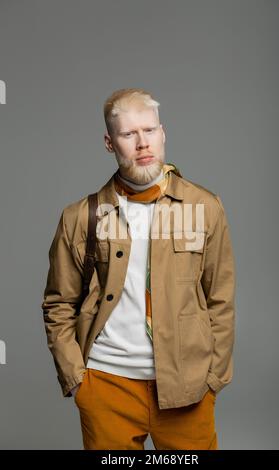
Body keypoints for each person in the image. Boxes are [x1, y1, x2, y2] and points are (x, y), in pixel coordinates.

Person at [41, 88, 236, 450]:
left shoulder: (206, 207)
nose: (142, 143)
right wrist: (76, 379)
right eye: (129, 134)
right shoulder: (79, 217)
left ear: (163, 133)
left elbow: (220, 300)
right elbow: (59, 303)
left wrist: (213, 378)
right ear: (109, 142)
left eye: (149, 131)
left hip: (187, 389)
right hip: (106, 385)